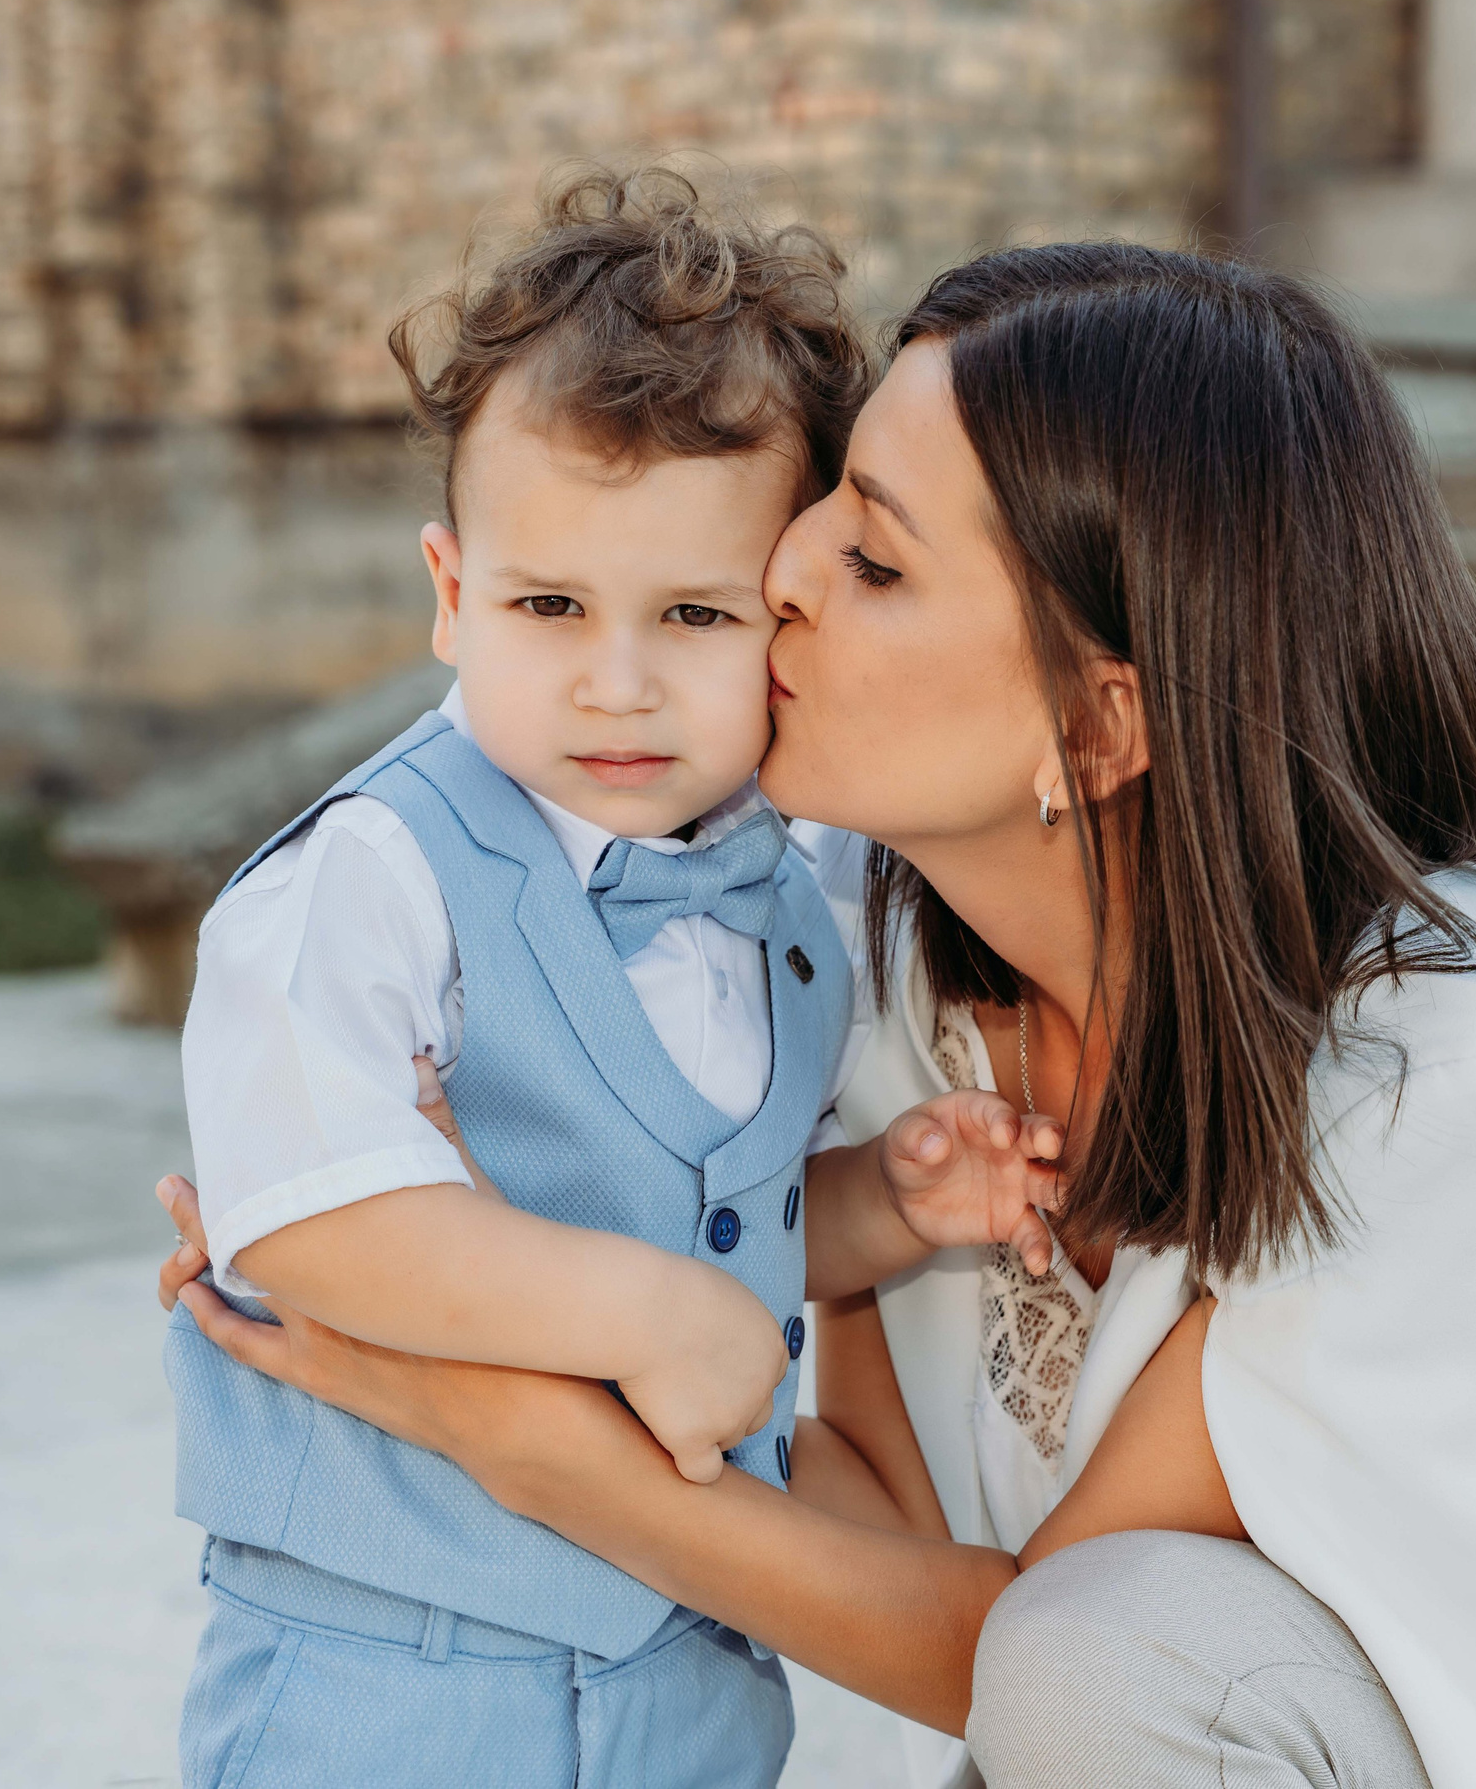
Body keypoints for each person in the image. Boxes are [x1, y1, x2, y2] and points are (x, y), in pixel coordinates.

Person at [161, 242, 1476, 1789]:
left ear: (1097, 727)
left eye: (870, 557)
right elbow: (858, 1516)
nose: (775, 577)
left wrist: (513, 1428)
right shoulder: (857, 956)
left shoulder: (1453, 1056)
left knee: (1110, 1651)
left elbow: (1016, 1655)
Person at [167, 166, 1056, 1789]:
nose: (618, 683)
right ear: (451, 593)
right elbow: (303, 1214)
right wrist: (649, 1315)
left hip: (689, 1676)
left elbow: (719, 1206)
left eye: (695, 612)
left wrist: (884, 1205)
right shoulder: (369, 877)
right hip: (392, 1676)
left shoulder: (785, 895)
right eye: (550, 604)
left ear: (783, 611)